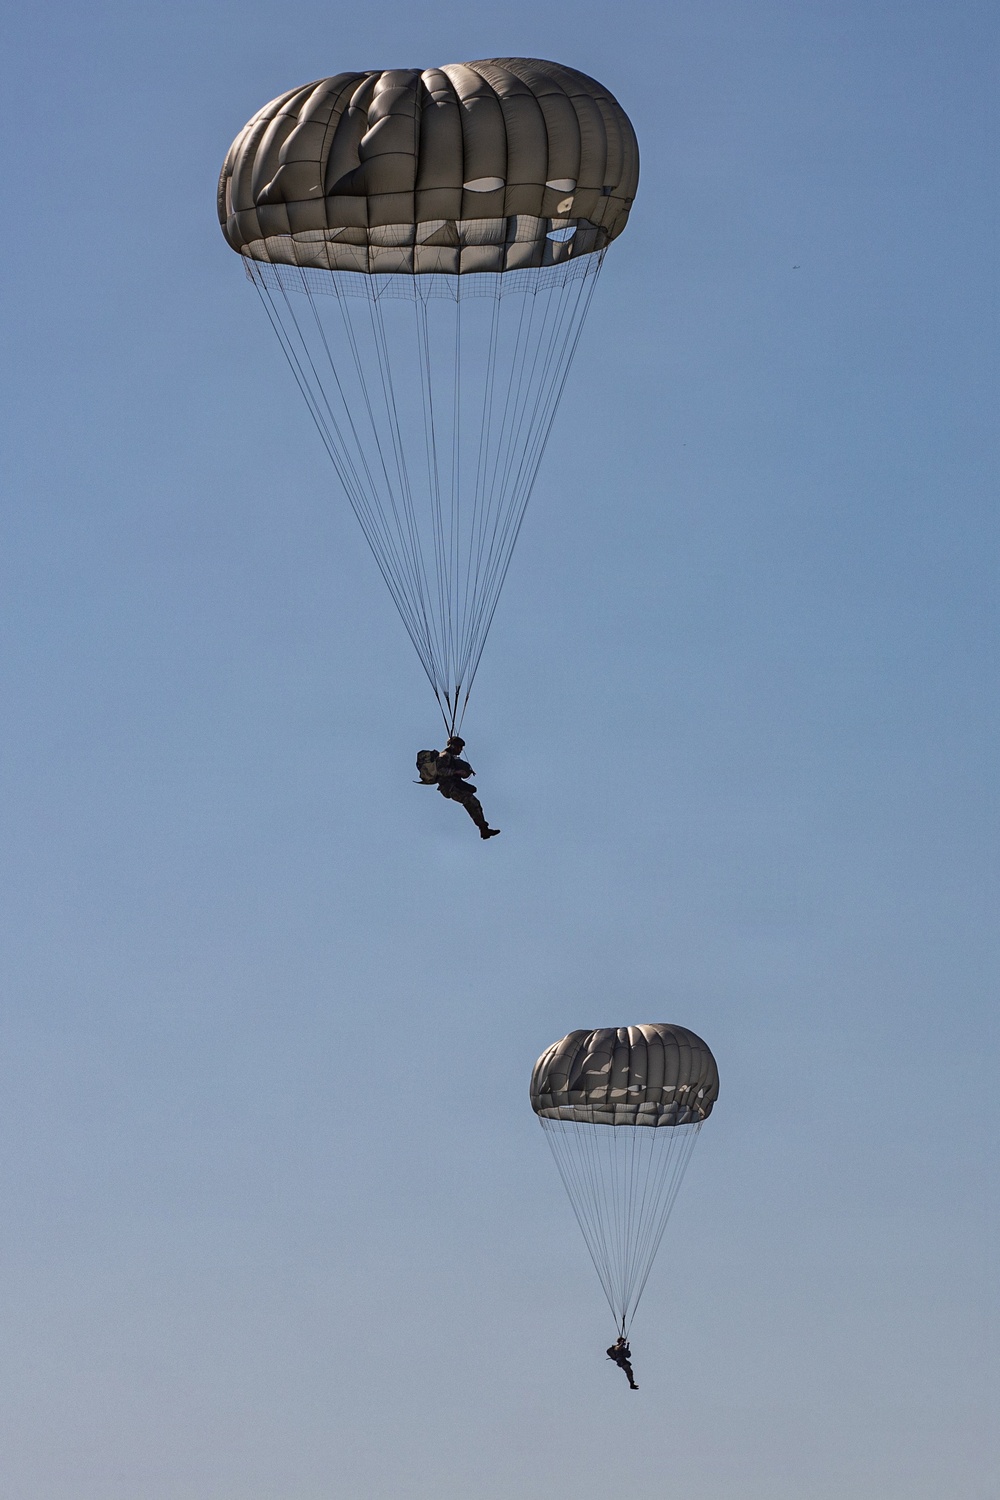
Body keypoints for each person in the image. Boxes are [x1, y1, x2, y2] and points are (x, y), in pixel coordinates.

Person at [418, 736, 500, 839]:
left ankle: (484, 829)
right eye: (459, 747)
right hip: (449, 787)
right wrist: (456, 772)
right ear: (453, 746)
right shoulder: (444, 756)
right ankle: (483, 829)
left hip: (454, 784)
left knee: (474, 801)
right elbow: (440, 771)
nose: (461, 750)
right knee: (470, 800)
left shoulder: (451, 757)